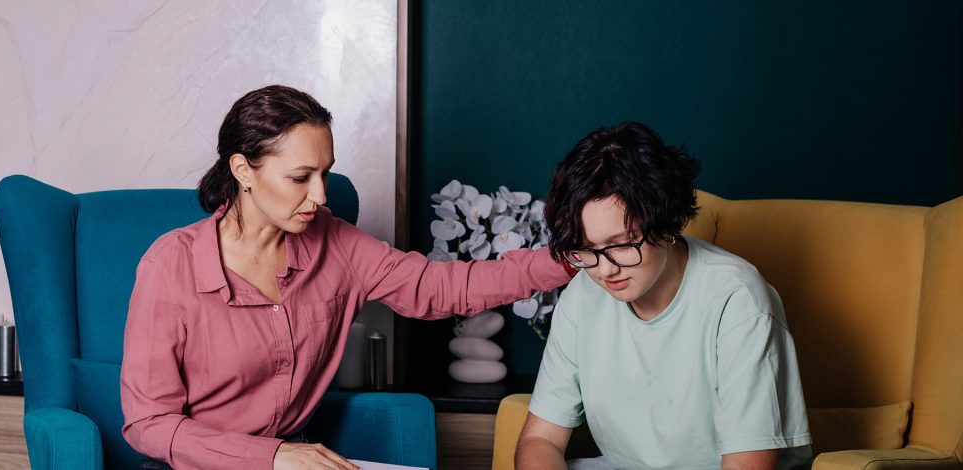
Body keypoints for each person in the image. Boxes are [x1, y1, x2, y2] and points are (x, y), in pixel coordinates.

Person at [120, 85, 574, 470]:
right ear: (243, 171)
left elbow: (440, 288)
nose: (319, 195)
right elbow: (147, 423)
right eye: (301, 177)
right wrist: (272, 457)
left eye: (325, 173)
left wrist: (566, 259)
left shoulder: (336, 243)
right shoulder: (169, 267)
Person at [515, 122, 812, 470]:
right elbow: (541, 439)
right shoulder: (583, 293)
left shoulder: (737, 299)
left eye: (622, 244)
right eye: (584, 249)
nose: (605, 270)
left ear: (667, 224)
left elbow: (747, 465)